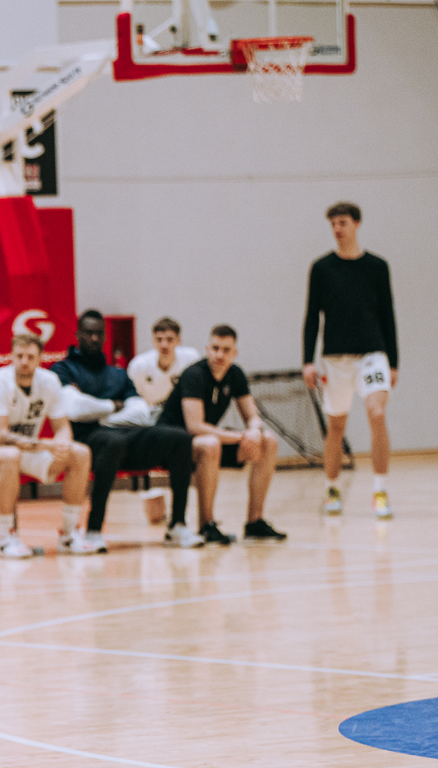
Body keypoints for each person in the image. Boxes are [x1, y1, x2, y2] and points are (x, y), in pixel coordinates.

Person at [52, 310, 202, 550]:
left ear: (104, 336)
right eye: (88, 333)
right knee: (113, 442)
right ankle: (93, 530)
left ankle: (177, 526)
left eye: (99, 333)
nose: (94, 338)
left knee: (180, 438)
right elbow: (75, 408)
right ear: (78, 335)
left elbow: (140, 412)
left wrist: (98, 415)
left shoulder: (118, 374)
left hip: (124, 437)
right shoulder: (62, 369)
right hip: (87, 440)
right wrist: (115, 405)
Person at [302, 202, 398, 519]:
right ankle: (332, 490)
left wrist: (393, 362)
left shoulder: (377, 267)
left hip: (372, 354)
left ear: (356, 224)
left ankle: (380, 492)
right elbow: (312, 316)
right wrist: (307, 360)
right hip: (334, 359)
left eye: (342, 222)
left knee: (377, 413)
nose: (337, 229)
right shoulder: (321, 268)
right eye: (333, 224)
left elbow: (387, 314)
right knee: (336, 426)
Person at [0, 331, 94, 556]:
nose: (24, 362)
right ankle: (6, 538)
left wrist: (62, 444)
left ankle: (69, 534)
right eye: (19, 356)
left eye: (30, 357)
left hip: (27, 451)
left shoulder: (50, 381)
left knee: (80, 453)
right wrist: (46, 445)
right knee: (10, 456)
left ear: (40, 358)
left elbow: (62, 427)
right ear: (11, 356)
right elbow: (2, 437)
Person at [158, 326, 287, 543]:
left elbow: (252, 416)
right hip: (173, 444)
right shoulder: (194, 375)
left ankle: (254, 522)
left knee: (268, 441)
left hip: (205, 442)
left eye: (226, 350)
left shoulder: (235, 374)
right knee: (210, 444)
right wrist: (240, 437)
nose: (220, 354)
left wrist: (255, 431)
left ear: (234, 353)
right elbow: (195, 426)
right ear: (207, 349)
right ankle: (206, 525)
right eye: (215, 348)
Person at [127, 317, 201, 415]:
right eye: (159, 339)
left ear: (178, 340)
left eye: (169, 339)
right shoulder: (139, 365)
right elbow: (133, 397)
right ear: (153, 340)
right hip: (149, 414)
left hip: (181, 414)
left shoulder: (191, 359)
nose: (164, 345)